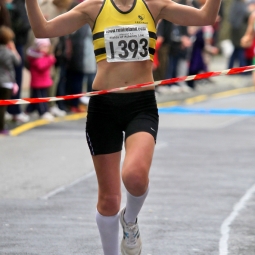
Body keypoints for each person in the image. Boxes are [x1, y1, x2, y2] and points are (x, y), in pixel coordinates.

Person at [24, 0, 221, 254]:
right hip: (103, 107)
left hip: (141, 105)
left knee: (135, 177)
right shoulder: (92, 7)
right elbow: (43, 30)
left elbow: (205, 16)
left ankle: (130, 221)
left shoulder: (153, 5)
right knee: (109, 200)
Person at [5, 0, 31, 122]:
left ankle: (13, 110)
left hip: (15, 43)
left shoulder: (18, 4)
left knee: (15, 78)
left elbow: (25, 25)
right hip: (10, 43)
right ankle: (10, 110)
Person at [25, 38, 56, 121]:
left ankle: (29, 110)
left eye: (46, 47)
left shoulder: (44, 56)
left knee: (37, 97)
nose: (45, 49)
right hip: (38, 82)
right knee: (40, 98)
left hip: (43, 81)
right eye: (43, 47)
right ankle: (43, 112)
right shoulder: (36, 57)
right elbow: (40, 66)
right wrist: (50, 60)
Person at [0, 25, 20, 135]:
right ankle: (1, 127)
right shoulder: (8, 52)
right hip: (6, 82)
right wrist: (14, 49)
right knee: (2, 107)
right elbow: (17, 62)